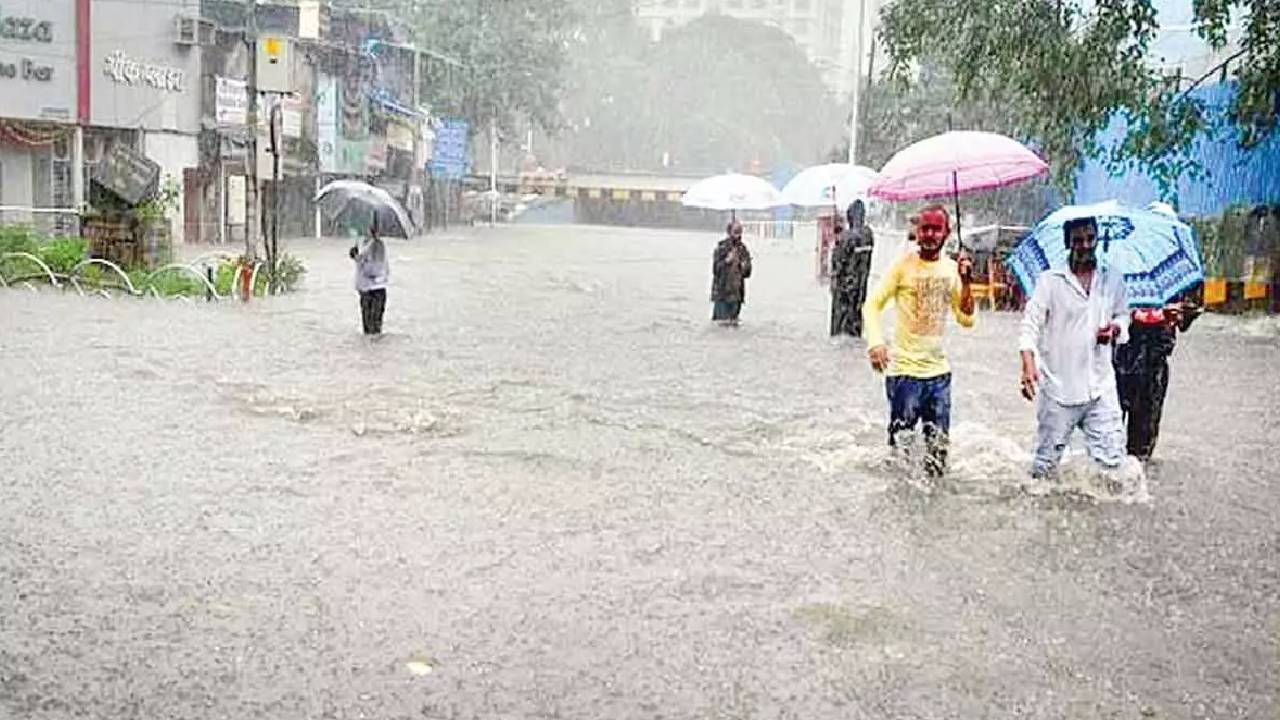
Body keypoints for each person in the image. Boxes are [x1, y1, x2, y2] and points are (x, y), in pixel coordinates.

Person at [862, 205, 975, 478]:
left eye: (936, 229)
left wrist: (967, 282)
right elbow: (872, 305)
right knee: (900, 452)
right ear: (916, 232)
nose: (930, 234)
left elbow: (967, 319)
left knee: (938, 456)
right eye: (925, 228)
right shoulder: (902, 266)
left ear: (947, 233)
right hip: (904, 373)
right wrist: (876, 343)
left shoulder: (951, 270)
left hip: (939, 375)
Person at [1018, 216, 1130, 478]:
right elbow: (1029, 326)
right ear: (1068, 243)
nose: (1086, 245)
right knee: (1044, 470)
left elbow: (1124, 315)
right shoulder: (1050, 281)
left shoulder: (1112, 278)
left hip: (1100, 387)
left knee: (1113, 466)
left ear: (1097, 239)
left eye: (1091, 238)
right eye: (1078, 240)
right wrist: (1027, 366)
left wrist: (1114, 329)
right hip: (1059, 390)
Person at [1113, 293, 1200, 460]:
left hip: (1154, 363)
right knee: (1108, 432)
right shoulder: (1112, 277)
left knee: (1142, 441)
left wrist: (1181, 314)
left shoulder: (1174, 281)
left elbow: (1186, 318)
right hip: (1119, 359)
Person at [830, 199, 875, 337]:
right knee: (856, 317)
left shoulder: (846, 237)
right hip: (861, 286)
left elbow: (837, 263)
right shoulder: (869, 234)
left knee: (840, 325)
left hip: (844, 287)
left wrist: (837, 243)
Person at [349, 220, 390, 335]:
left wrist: (358, 258)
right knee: (368, 330)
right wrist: (356, 256)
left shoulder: (378, 245)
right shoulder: (365, 243)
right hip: (366, 289)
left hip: (376, 289)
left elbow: (373, 269)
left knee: (374, 329)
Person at [711, 220, 753, 326]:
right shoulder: (721, 248)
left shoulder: (743, 249)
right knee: (720, 326)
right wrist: (726, 261)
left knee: (734, 326)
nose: (738, 234)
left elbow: (747, 274)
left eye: (740, 231)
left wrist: (745, 267)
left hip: (737, 296)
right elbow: (716, 270)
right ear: (729, 232)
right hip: (722, 295)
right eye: (736, 231)